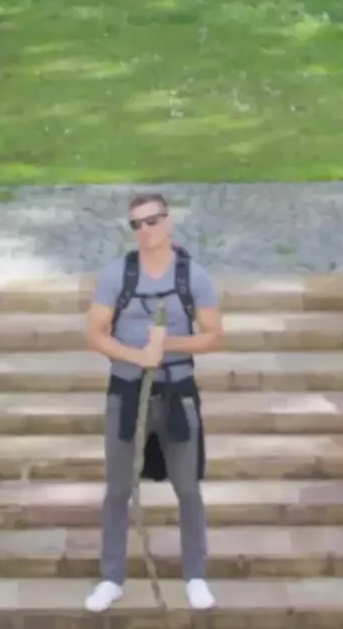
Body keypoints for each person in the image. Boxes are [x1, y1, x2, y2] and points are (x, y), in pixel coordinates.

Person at [82, 193, 225, 613]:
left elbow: (214, 335)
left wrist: (169, 345)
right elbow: (94, 333)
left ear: (168, 221)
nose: (144, 230)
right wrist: (137, 355)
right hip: (127, 392)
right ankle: (111, 579)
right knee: (117, 489)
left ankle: (196, 576)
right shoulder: (117, 275)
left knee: (188, 488)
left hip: (178, 392)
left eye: (152, 221)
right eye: (136, 224)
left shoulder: (193, 275)